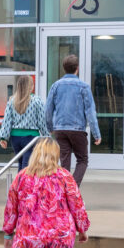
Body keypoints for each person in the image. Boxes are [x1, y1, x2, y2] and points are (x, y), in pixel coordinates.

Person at [44, 55, 100, 185]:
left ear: (64, 68)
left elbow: (48, 109)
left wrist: (50, 127)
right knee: (82, 160)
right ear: (77, 68)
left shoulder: (55, 86)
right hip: (77, 130)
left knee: (64, 163)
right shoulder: (83, 87)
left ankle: (65, 193)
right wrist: (96, 134)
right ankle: (72, 190)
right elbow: (90, 112)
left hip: (60, 130)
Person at [0, 76, 48, 170]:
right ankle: (22, 184)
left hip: (15, 138)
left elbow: (7, 120)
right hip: (31, 137)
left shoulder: (12, 101)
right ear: (31, 86)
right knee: (27, 166)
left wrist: (3, 137)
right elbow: (42, 121)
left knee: (21, 164)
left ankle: (19, 183)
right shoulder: (36, 101)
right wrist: (47, 136)